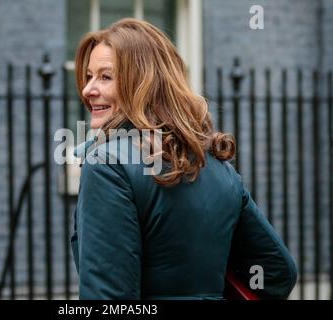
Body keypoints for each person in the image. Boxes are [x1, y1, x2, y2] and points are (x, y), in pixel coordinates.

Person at [70, 18, 297, 300]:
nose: (87, 89)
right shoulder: (215, 164)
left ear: (143, 83)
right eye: (89, 76)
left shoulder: (107, 164)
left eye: (105, 77)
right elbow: (277, 272)